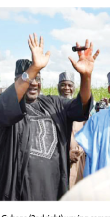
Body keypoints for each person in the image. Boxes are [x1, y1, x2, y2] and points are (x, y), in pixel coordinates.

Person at [0, 33, 99, 200]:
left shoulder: (53, 104)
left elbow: (81, 106)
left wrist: (86, 76)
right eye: (29, 77)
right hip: (19, 193)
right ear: (16, 81)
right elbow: (5, 109)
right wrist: (33, 69)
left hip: (54, 190)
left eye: (37, 78)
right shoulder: (7, 106)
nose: (33, 82)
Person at [57, 71, 86, 189]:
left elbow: (88, 134)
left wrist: (78, 151)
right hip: (57, 159)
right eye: (63, 85)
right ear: (58, 87)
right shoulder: (52, 108)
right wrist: (65, 154)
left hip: (78, 160)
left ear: (74, 88)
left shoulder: (81, 109)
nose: (66, 88)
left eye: (70, 85)